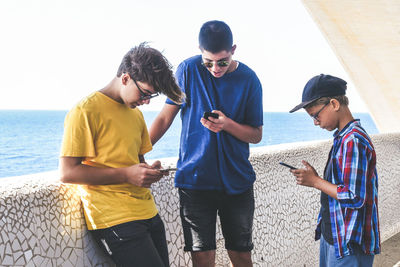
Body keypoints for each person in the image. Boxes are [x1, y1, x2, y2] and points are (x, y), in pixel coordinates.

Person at [59, 43, 185, 267]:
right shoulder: (85, 111)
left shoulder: (134, 114)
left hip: (147, 211)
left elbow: (136, 162)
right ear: (125, 78)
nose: (146, 101)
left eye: (151, 96)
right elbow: (68, 172)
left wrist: (148, 171)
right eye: (144, 93)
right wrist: (126, 175)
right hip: (114, 219)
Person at [149, 20, 263, 267]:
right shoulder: (188, 70)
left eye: (222, 61)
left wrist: (227, 125)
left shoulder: (249, 79)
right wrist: (135, 151)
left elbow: (256, 135)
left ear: (233, 49)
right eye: (208, 62)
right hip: (195, 182)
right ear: (199, 51)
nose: (215, 68)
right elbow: (164, 117)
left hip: (238, 182)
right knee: (202, 258)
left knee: (242, 256)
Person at [289, 74, 380, 267]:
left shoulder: (352, 141)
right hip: (335, 235)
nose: (315, 122)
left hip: (349, 243)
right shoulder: (342, 137)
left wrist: (316, 182)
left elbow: (355, 196)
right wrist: (316, 178)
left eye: (316, 115)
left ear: (334, 104)